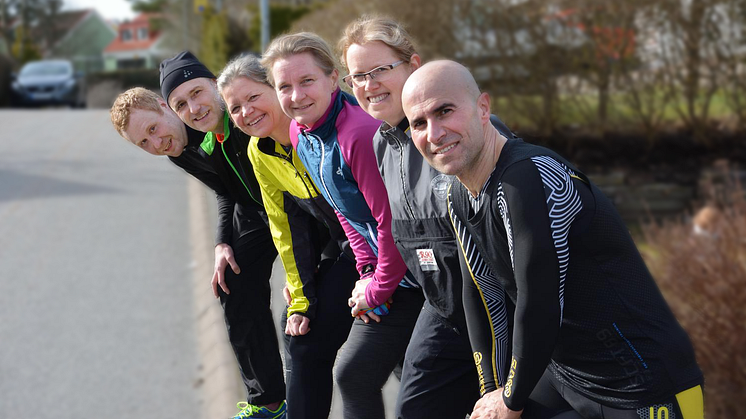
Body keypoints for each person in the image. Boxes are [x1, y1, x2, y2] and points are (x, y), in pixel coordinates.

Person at [401, 60, 705, 419]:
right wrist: (491, 392)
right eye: (419, 123)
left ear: (483, 108)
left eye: (445, 111)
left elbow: (540, 301)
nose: (434, 133)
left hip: (640, 385)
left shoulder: (527, 176)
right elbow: (484, 298)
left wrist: (511, 399)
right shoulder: (456, 193)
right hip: (565, 377)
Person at [338, 16, 520, 419]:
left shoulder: (464, 133)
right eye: (358, 77)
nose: (369, 85)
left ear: (413, 65)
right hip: (441, 310)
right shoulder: (382, 145)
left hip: (498, 312)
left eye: (380, 70)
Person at [111, 53, 287, 419]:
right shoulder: (176, 150)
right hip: (254, 208)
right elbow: (225, 189)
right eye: (143, 142)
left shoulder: (221, 121)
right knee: (231, 284)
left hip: (289, 203)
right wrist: (222, 243)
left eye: (154, 128)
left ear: (164, 107)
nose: (156, 143)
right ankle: (268, 402)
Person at [262, 32, 425, 419]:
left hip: (418, 274)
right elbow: (347, 217)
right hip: (386, 272)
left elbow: (391, 222)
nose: (296, 95)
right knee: (362, 373)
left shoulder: (357, 134)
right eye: (284, 86)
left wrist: (378, 287)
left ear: (333, 80)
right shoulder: (301, 134)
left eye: (307, 81)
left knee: (361, 374)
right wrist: (367, 273)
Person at [217, 53, 359, 419]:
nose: (246, 113)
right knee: (300, 336)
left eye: (253, 98)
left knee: (361, 359)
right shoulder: (258, 151)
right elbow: (285, 228)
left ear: (275, 89)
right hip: (346, 249)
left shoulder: (315, 130)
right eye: (235, 108)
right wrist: (302, 296)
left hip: (376, 248)